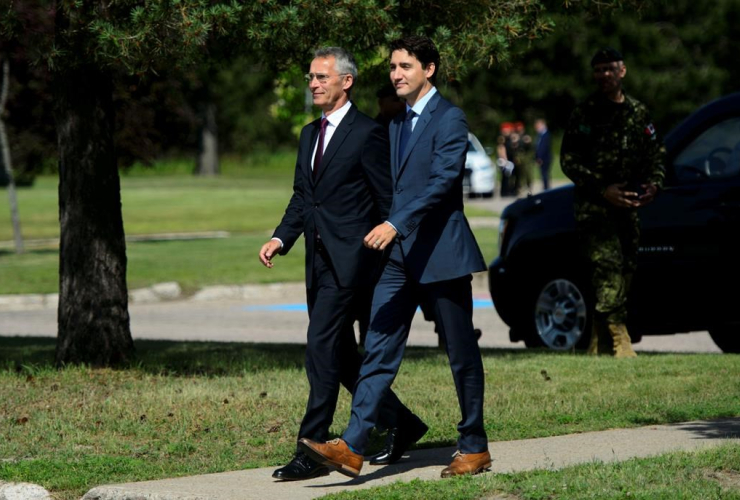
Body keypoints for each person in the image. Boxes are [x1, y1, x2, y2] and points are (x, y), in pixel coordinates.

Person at [299, 36, 491, 479]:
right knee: (378, 350)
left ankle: (474, 445)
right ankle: (352, 445)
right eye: (392, 67)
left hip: (442, 254)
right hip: (399, 260)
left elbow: (441, 183)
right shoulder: (396, 123)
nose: (396, 74)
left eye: (405, 66)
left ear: (430, 69)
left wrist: (395, 224)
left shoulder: (450, 118)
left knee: (460, 353)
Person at [258, 46, 425, 481]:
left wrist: (394, 252)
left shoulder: (368, 133)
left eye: (321, 77)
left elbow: (387, 199)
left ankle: (311, 449)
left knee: (320, 351)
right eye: (310, 77)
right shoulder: (308, 134)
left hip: (359, 264)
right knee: (343, 359)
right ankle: (402, 422)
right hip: (319, 262)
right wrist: (280, 237)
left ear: (345, 82)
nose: (313, 84)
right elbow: (303, 197)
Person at [560, 48, 665, 358]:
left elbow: (655, 152)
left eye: (609, 69)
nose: (603, 75)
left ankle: (598, 339)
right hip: (595, 209)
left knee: (626, 271)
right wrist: (602, 188)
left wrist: (654, 184)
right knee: (607, 269)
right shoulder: (586, 112)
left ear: (623, 71)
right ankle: (621, 340)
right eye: (598, 70)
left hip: (629, 205)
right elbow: (569, 159)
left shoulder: (638, 111)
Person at [534, 118, 552, 191]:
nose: (537, 128)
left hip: (545, 158)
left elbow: (543, 148)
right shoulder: (540, 135)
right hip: (542, 157)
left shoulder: (546, 135)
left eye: (538, 126)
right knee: (543, 174)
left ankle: (546, 188)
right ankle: (545, 187)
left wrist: (540, 158)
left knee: (545, 173)